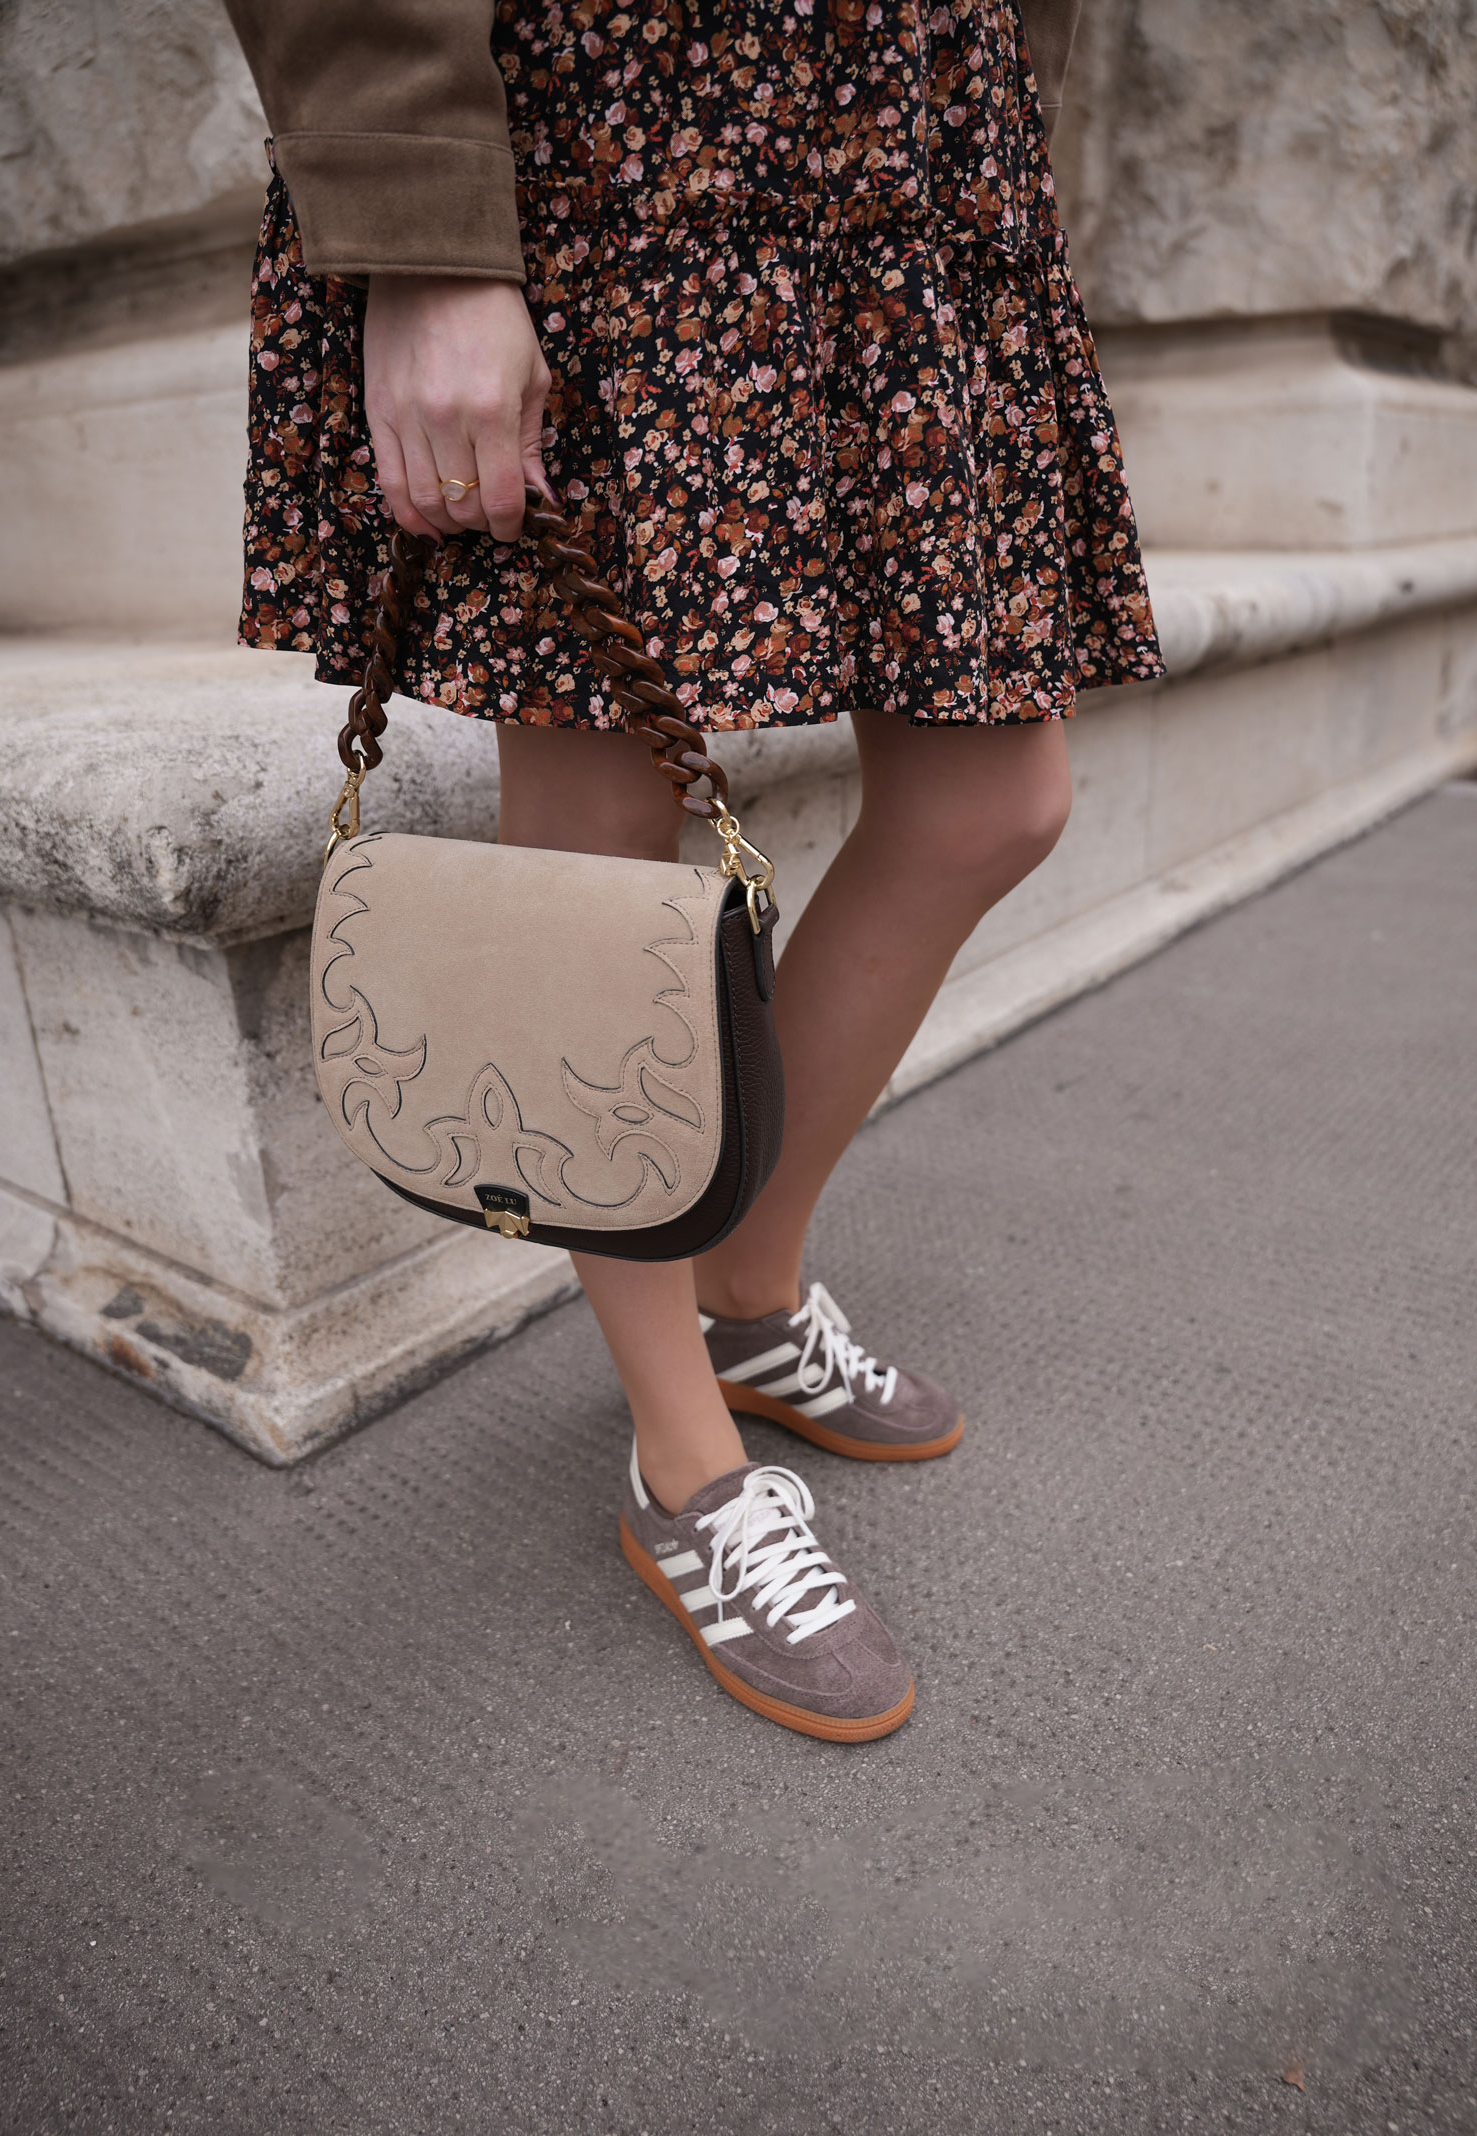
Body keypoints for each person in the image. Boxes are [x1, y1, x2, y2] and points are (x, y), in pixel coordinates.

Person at [226, 0, 1163, 1743]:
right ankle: (685, 1454)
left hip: (899, 130)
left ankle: (743, 1281)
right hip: (613, 125)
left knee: (993, 795)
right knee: (599, 850)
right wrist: (425, 231)